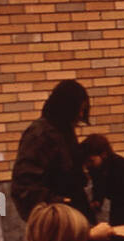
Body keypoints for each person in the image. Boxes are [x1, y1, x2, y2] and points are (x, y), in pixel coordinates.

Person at [10, 79, 95, 223]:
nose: (81, 115)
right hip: (57, 221)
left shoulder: (63, 132)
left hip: (71, 216)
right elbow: (24, 187)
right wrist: (60, 203)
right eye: (79, 109)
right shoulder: (39, 135)